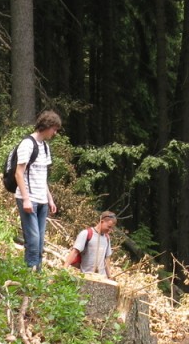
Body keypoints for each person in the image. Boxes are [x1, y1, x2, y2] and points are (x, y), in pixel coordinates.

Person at [14, 110, 62, 270]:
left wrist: (50, 199)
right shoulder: (27, 144)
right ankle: (30, 274)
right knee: (33, 239)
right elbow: (18, 173)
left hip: (42, 199)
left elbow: (42, 176)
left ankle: (37, 274)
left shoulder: (45, 147)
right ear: (46, 126)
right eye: (54, 129)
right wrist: (26, 199)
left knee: (40, 240)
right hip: (28, 199)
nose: (54, 133)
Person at [70, 211, 117, 277]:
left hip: (102, 277)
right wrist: (64, 269)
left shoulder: (107, 238)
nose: (110, 230)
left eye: (111, 228)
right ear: (102, 222)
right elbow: (74, 252)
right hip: (86, 276)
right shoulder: (86, 233)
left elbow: (107, 258)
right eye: (109, 227)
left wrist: (109, 276)